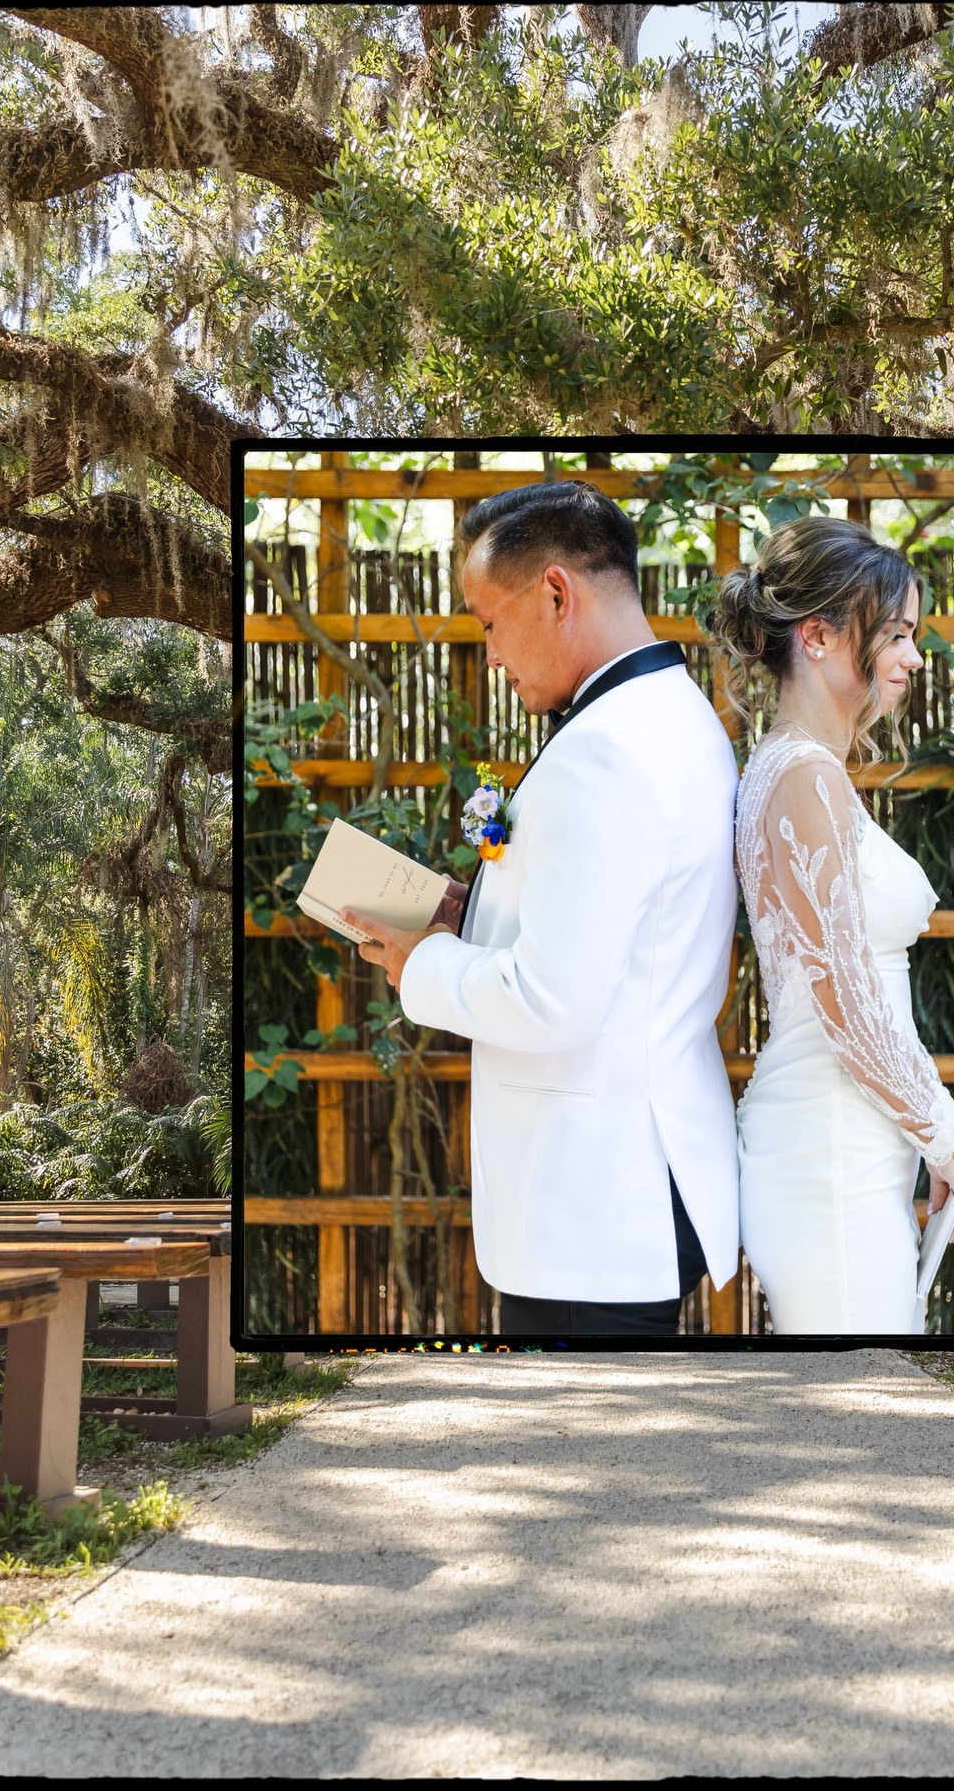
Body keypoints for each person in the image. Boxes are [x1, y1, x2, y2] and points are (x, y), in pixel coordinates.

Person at [340, 481, 740, 1337]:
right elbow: (622, 939)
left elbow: (553, 999)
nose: (487, 654)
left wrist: (423, 964)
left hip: (591, 1208)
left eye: (487, 622)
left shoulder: (603, 752)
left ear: (556, 593)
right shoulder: (678, 718)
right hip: (629, 1184)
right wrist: (472, 910)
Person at [706, 516, 954, 1334]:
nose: (913, 657)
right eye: (895, 634)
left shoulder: (794, 768)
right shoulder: (804, 777)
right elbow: (847, 1001)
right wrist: (946, 1141)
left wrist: (916, 1133)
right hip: (829, 1155)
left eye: (913, 635)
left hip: (845, 1141)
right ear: (820, 635)